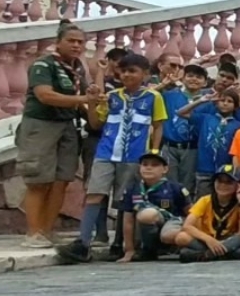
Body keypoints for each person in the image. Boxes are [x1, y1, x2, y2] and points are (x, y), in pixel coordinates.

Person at [55, 52, 166, 263]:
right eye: (123, 71)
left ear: (145, 74)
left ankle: (120, 243)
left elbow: (158, 125)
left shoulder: (153, 97)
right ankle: (83, 243)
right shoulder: (113, 96)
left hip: (134, 155)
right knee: (94, 194)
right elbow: (96, 123)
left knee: (124, 201)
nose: (126, 75)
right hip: (106, 152)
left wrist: (154, 152)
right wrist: (93, 104)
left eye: (132, 71)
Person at [17, 20, 98, 249]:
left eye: (80, 42)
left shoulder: (77, 68)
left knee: (62, 180)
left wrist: (92, 103)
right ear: (58, 42)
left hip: (67, 125)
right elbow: (45, 95)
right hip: (41, 125)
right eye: (71, 41)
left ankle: (47, 230)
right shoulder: (43, 65)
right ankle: (33, 233)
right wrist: (83, 100)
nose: (76, 45)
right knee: (38, 180)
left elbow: (85, 95)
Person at [118, 149, 192, 262]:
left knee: (167, 234)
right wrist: (129, 250)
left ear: (165, 169)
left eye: (155, 165)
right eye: (145, 164)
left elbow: (191, 213)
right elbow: (128, 220)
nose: (148, 168)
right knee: (147, 215)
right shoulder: (132, 189)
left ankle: (184, 247)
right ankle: (148, 250)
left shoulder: (175, 188)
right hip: (145, 228)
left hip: (173, 223)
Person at [176, 163, 240, 263]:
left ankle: (207, 255)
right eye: (220, 181)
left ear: (238, 185)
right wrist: (209, 240)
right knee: (181, 237)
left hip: (228, 242)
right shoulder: (205, 200)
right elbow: (187, 226)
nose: (223, 185)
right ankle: (224, 254)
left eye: (228, 182)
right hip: (206, 241)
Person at [178, 88, 240, 199]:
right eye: (222, 100)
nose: (225, 103)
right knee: (203, 200)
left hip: (225, 171)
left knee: (223, 200)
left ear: (236, 106)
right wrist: (202, 100)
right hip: (204, 169)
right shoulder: (206, 118)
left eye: (230, 101)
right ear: (216, 103)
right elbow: (181, 112)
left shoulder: (239, 126)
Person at [160, 63, 209, 195]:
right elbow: (148, 93)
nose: (194, 79)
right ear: (182, 78)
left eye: (199, 77)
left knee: (188, 187)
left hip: (192, 148)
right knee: (167, 184)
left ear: (205, 83)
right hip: (169, 146)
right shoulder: (169, 95)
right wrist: (163, 84)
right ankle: (168, 213)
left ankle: (185, 214)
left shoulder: (209, 101)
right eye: (190, 76)